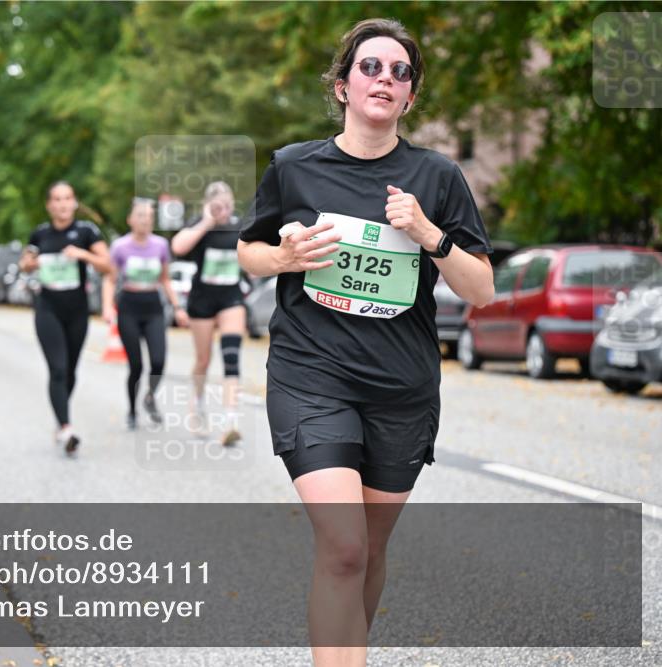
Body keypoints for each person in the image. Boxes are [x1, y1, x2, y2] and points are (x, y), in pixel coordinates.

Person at [237, 18, 495, 667]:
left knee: (370, 553)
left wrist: (431, 234)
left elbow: (483, 289)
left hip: (400, 389)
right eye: (371, 67)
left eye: (400, 72)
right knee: (345, 546)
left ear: (410, 96)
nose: (385, 78)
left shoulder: (437, 178)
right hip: (311, 376)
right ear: (343, 85)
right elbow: (248, 251)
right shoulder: (294, 167)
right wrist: (284, 255)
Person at [19, 181, 111, 454]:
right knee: (57, 369)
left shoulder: (86, 231)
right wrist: (29, 263)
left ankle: (60, 420)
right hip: (48, 308)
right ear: (49, 205)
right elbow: (25, 262)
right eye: (57, 199)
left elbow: (108, 265)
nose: (62, 204)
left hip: (77, 310)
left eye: (67, 198)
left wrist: (82, 254)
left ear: (74, 203)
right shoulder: (41, 234)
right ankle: (66, 427)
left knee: (70, 371)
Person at [171, 181, 248, 446]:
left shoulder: (239, 226)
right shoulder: (199, 224)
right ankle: (198, 403)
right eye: (217, 206)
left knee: (231, 356)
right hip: (201, 301)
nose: (223, 211)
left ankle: (230, 420)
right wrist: (205, 222)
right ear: (208, 205)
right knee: (203, 359)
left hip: (231, 299)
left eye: (227, 205)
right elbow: (177, 247)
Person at [102, 198, 189, 430]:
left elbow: (165, 279)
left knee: (159, 361)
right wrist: (108, 307)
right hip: (129, 306)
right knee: (136, 366)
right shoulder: (120, 246)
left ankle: (150, 397)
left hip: (153, 307)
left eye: (149, 217)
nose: (145, 220)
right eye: (140, 216)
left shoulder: (160, 245)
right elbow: (110, 280)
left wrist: (178, 308)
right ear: (130, 219)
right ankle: (131, 410)